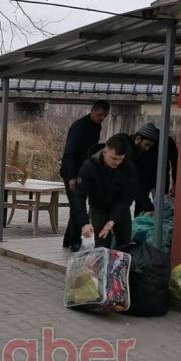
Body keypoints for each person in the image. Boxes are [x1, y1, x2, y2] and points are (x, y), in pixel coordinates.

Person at [73, 134, 139, 249]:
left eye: (120, 159)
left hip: (120, 207)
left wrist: (113, 220)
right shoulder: (89, 166)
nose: (117, 162)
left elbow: (127, 196)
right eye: (113, 158)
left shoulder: (128, 167)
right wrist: (84, 223)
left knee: (124, 245)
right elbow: (79, 195)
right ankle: (101, 266)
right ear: (104, 152)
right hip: (99, 208)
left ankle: (122, 266)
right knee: (101, 246)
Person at [60, 100, 110, 251]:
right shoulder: (79, 126)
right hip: (73, 171)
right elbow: (69, 152)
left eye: (104, 116)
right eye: (100, 114)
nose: (102, 118)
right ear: (93, 111)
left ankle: (69, 239)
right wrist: (71, 177)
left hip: (84, 170)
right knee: (77, 205)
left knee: (77, 205)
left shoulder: (96, 126)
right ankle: (75, 240)